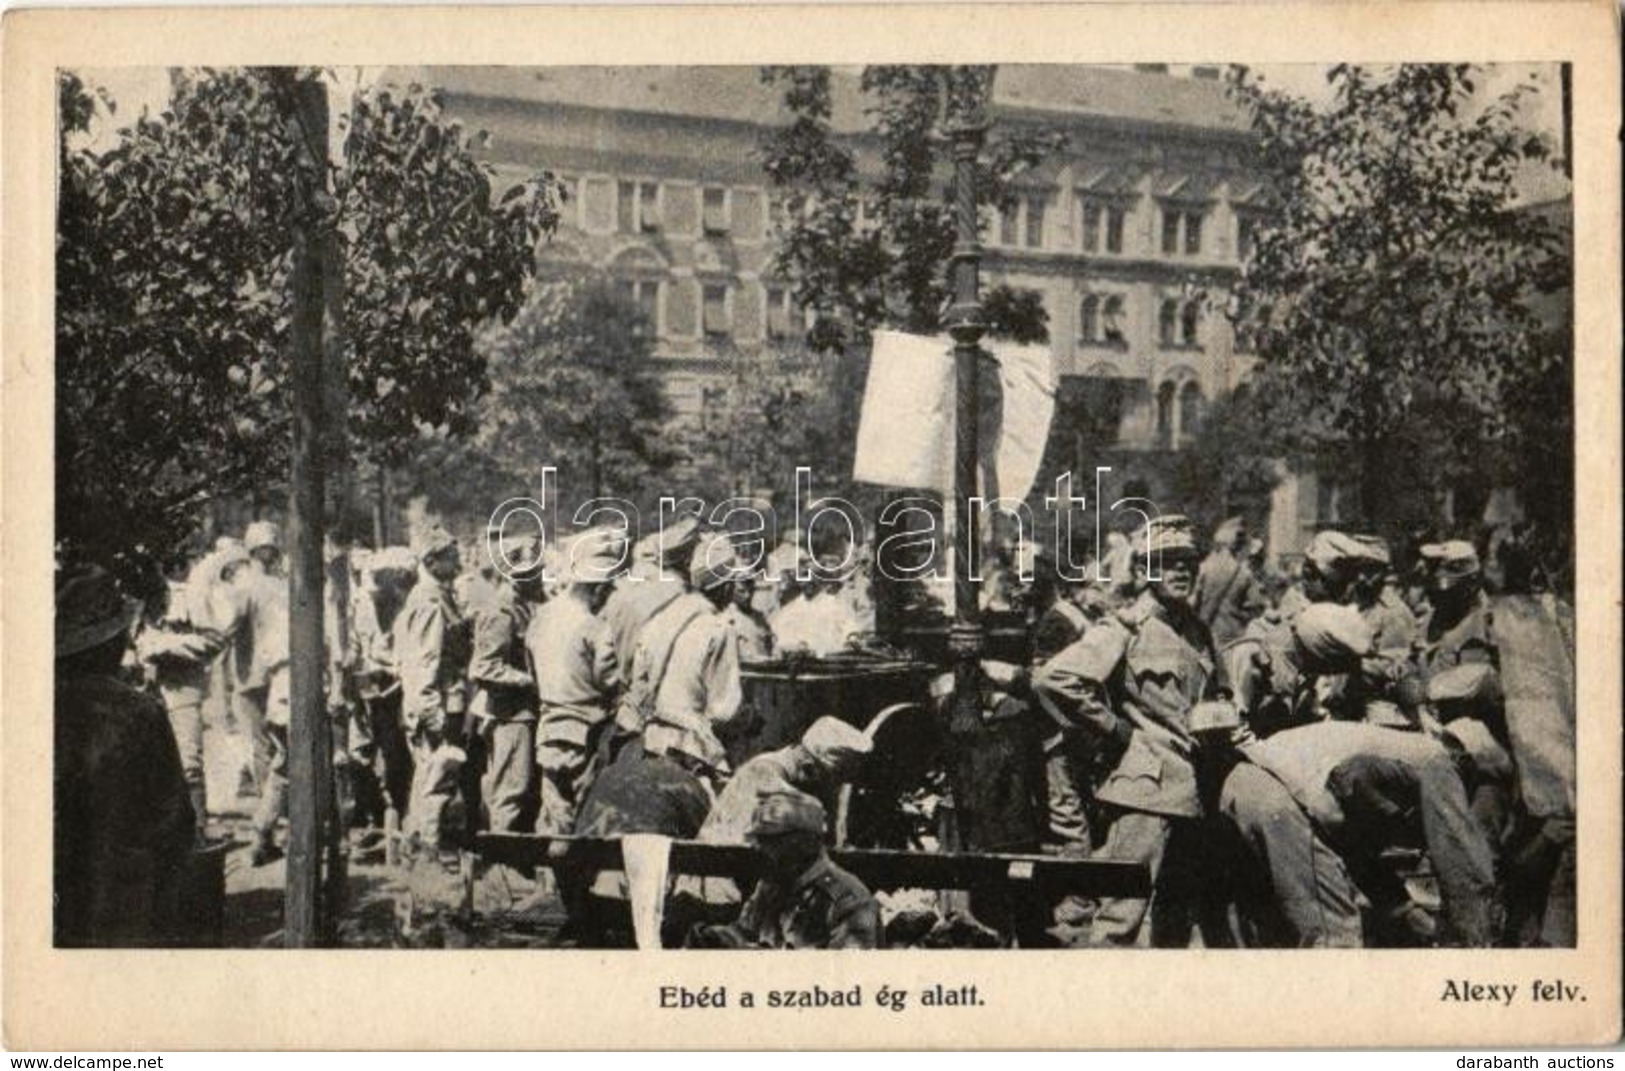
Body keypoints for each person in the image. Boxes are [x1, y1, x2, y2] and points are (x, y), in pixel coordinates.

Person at [1033, 514, 1220, 947]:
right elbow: (1055, 679)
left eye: (1187, 562)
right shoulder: (1126, 627)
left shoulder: (1197, 630)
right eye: (1166, 561)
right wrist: (1116, 729)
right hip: (1144, 793)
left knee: (1175, 919)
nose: (1180, 571)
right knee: (1120, 920)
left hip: (1193, 793)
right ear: (1143, 571)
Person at [55, 564, 195, 946]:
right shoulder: (139, 713)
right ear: (114, 644)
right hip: (125, 896)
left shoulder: (38, 708)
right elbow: (175, 820)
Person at [683, 716, 872, 908]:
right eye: (831, 780)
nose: (830, 789)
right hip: (718, 896)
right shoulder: (767, 775)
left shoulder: (777, 770)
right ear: (809, 768)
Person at [688, 791, 881, 950]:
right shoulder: (771, 886)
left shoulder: (849, 902)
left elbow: (844, 980)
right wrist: (717, 936)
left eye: (770, 840)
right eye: (757, 839)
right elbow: (745, 930)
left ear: (805, 843)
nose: (756, 847)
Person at [527, 527, 623, 835]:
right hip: (587, 733)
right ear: (599, 588)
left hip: (549, 727)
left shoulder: (541, 616)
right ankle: (574, 880)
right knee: (586, 817)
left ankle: (549, 878)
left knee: (554, 812)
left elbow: (531, 670)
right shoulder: (594, 626)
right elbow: (609, 681)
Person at [136, 554, 236, 839]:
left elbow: (216, 640)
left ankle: (197, 832)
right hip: (143, 690)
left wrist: (167, 646)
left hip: (180, 684)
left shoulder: (191, 596)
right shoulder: (134, 599)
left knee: (187, 761)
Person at [393, 527, 472, 862]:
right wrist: (431, 711)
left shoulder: (433, 595)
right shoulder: (429, 602)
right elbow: (426, 660)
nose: (458, 563)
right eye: (451, 558)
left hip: (439, 697)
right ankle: (429, 845)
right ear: (432, 561)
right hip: (438, 700)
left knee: (427, 773)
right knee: (438, 775)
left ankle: (414, 839)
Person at [467, 535, 545, 835]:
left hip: (525, 710)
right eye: (529, 572)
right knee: (511, 787)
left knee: (524, 786)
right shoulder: (500, 610)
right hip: (509, 713)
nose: (536, 576)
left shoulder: (527, 603)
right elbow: (484, 666)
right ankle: (501, 858)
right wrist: (528, 680)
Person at [222, 520, 289, 799]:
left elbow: (228, 627)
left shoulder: (245, 587)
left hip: (250, 674)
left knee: (261, 745)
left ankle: (269, 808)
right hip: (281, 672)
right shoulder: (284, 586)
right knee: (280, 742)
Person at [1193, 516, 1263, 648]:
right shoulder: (1244, 573)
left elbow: (1193, 603)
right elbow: (1256, 606)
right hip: (1234, 638)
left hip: (1205, 636)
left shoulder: (1204, 568)